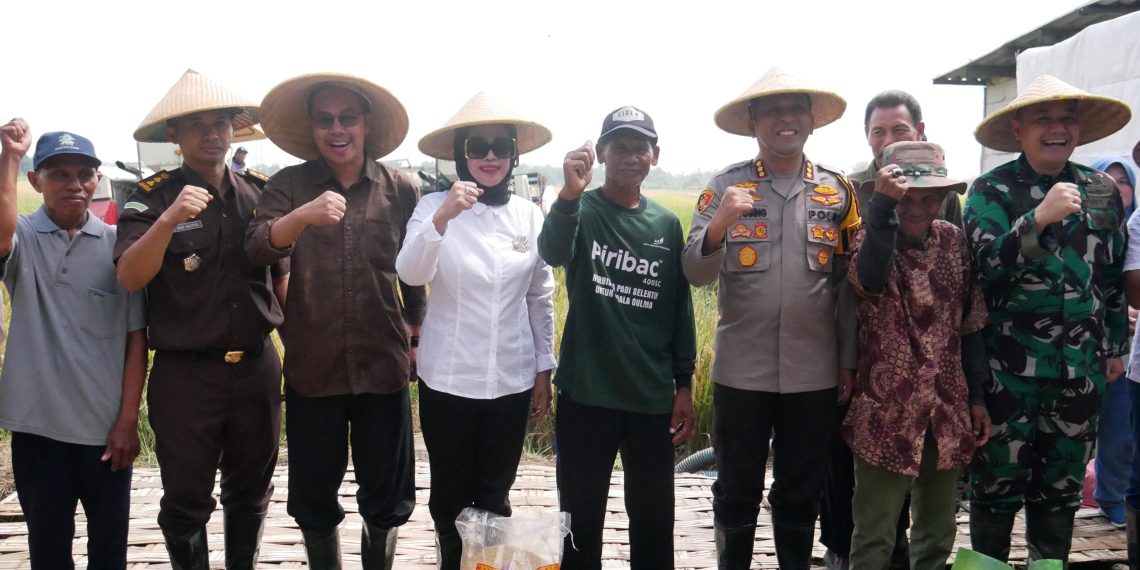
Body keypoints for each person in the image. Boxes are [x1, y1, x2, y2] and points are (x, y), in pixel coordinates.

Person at [683, 66, 861, 570]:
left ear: (811, 120)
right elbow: (694, 272)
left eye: (796, 109)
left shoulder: (838, 192)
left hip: (814, 372)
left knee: (801, 491)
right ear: (753, 123)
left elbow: (847, 288)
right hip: (742, 371)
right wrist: (719, 224)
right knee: (735, 488)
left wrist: (847, 361)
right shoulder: (724, 188)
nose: (786, 119)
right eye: (772, 111)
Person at [245, 72, 424, 569]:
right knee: (313, 497)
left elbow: (415, 272)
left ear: (366, 123)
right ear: (313, 128)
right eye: (325, 120)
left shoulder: (400, 188)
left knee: (387, 496)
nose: (337, 129)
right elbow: (256, 247)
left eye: (347, 118)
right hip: (313, 368)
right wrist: (301, 217)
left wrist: (416, 335)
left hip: (382, 365)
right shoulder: (288, 186)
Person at [115, 69, 287, 568]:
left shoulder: (260, 194)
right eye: (196, 124)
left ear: (235, 128)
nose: (211, 134)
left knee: (250, 491)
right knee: (186, 497)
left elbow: (282, 282)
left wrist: (298, 354)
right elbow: (130, 276)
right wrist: (169, 220)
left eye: (220, 123)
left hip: (256, 367)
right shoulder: (152, 197)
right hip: (186, 376)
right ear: (174, 133)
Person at [964, 74, 1131, 566]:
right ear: (1019, 129)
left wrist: (1115, 349)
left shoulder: (1100, 189)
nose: (1057, 129)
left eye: (1067, 119)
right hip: (1006, 374)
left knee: (1060, 497)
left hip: (1080, 374)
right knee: (994, 492)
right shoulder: (991, 189)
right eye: (1043, 119)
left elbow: (1112, 278)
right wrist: (1038, 219)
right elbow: (982, 269)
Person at [395, 91, 556, 569]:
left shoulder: (528, 214)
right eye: (477, 147)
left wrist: (544, 368)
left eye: (500, 146)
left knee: (494, 493)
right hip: (449, 378)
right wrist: (445, 216)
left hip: (511, 377)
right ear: (459, 154)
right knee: (449, 493)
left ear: (513, 154)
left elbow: (540, 296)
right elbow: (410, 271)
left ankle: (485, 565)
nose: (489, 157)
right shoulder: (432, 207)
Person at [538, 106, 696, 569]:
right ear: (602, 153)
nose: (630, 157)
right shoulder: (581, 209)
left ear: (655, 155)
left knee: (654, 520)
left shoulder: (665, 224)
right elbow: (552, 251)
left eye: (640, 148)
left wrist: (683, 383)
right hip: (587, 393)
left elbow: (678, 307)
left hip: (650, 397)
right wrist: (569, 194)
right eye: (620, 147)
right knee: (580, 519)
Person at [0, 122, 146, 568]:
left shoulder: (119, 247)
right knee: (48, 551)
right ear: (35, 181)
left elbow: (135, 340)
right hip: (38, 431)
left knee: (109, 551)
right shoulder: (22, 237)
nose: (74, 184)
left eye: (84, 174)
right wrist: (10, 156)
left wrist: (127, 420)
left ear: (97, 180)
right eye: (59, 174)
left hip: (105, 434)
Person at [843, 141, 991, 570]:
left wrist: (977, 397)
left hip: (947, 408)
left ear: (943, 199)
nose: (917, 208)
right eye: (906, 198)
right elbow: (869, 278)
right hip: (886, 411)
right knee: (874, 533)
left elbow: (970, 322)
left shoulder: (953, 241)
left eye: (929, 199)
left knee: (937, 530)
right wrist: (883, 209)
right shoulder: (869, 237)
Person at [1090, 156, 1136, 528]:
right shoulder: (1086, 227)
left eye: (1123, 181)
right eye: (1107, 179)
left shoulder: (1132, 227)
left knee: (1122, 430)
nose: (1116, 188)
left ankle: (1113, 495)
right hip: (1086, 344)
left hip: (1126, 351)